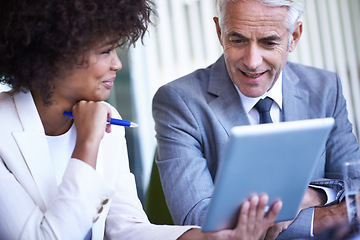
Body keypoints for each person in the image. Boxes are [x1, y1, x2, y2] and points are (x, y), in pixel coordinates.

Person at [0, 0, 283, 239]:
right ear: (55, 54)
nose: (117, 64)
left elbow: (127, 229)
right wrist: (87, 144)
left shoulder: (109, 119)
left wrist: (212, 238)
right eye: (105, 51)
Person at [152, 0, 360, 239]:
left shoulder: (324, 88)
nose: (252, 62)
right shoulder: (179, 101)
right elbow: (203, 223)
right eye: (237, 40)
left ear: (294, 36)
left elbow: (355, 183)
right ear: (220, 32)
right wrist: (330, 216)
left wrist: (312, 194)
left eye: (269, 42)